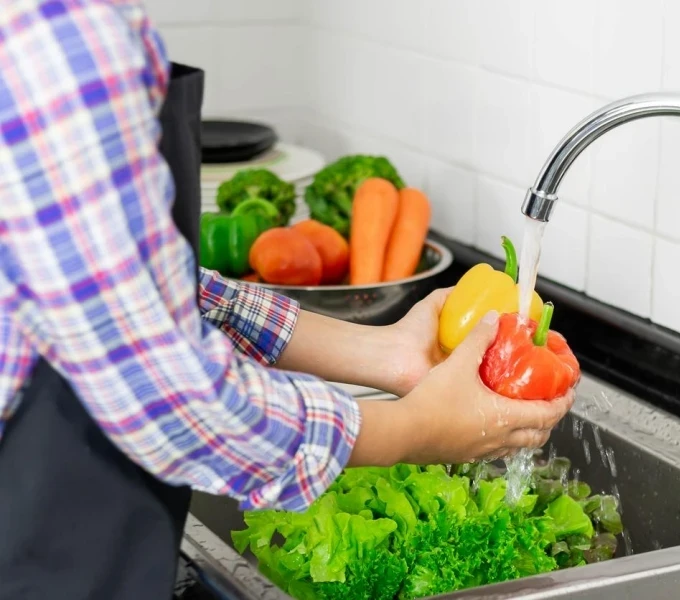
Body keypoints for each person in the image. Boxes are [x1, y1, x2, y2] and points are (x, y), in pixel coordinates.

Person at [0, 2, 575, 599]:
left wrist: (380, 351)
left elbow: (131, 286)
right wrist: (411, 428)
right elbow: (165, 391)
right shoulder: (55, 35)